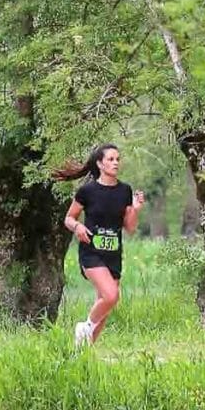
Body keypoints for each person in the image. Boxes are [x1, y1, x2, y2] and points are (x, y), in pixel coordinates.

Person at [54, 144, 144, 346]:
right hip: (91, 252)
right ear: (99, 164)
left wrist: (136, 209)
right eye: (111, 159)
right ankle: (84, 327)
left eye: (118, 159)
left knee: (104, 306)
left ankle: (84, 353)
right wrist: (77, 227)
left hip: (113, 253)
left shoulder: (124, 190)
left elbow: (129, 228)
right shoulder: (87, 191)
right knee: (111, 296)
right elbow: (69, 218)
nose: (116, 163)